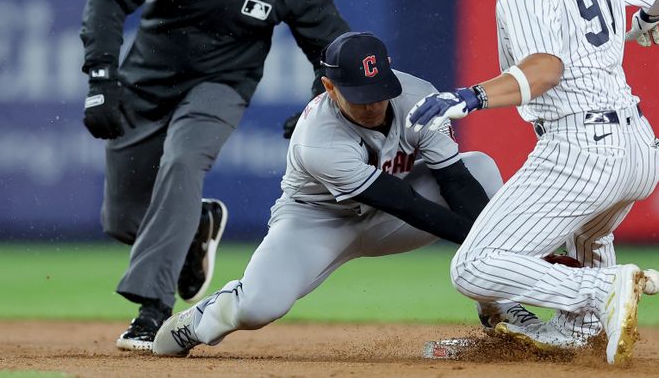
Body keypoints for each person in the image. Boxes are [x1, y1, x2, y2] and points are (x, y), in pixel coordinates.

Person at [406, 0, 659, 365]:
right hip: (638, 146)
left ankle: (603, 290)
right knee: (589, 235)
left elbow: (545, 68)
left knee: (475, 268)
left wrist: (470, 97)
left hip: (583, 147)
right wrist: (649, 22)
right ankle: (583, 332)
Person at [79, 0, 350, 351]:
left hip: (220, 86)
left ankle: (152, 312)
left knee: (184, 160)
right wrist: (102, 75)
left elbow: (334, 45)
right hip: (145, 82)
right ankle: (195, 223)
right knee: (121, 220)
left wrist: (319, 101)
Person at [151, 31, 541, 356]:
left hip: (391, 215)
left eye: (379, 88)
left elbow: (455, 182)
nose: (372, 103)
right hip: (317, 222)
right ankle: (202, 319)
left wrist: (499, 252)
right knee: (257, 308)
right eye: (359, 93)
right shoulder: (318, 138)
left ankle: (497, 303)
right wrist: (496, 248)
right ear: (329, 86)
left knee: (480, 166)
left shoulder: (419, 97)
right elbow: (405, 204)